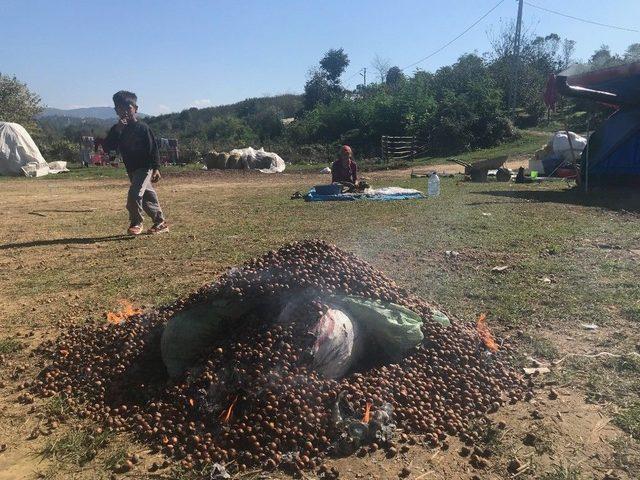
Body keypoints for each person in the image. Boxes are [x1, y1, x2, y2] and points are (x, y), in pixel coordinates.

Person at [104, 90, 168, 235]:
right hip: (131, 169)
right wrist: (117, 131)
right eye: (120, 108)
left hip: (145, 167)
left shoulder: (143, 128)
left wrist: (156, 168)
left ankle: (136, 221)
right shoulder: (117, 129)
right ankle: (160, 223)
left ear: (136, 109)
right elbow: (108, 147)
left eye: (128, 108)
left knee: (134, 194)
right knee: (147, 196)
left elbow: (153, 148)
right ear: (116, 111)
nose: (125, 112)